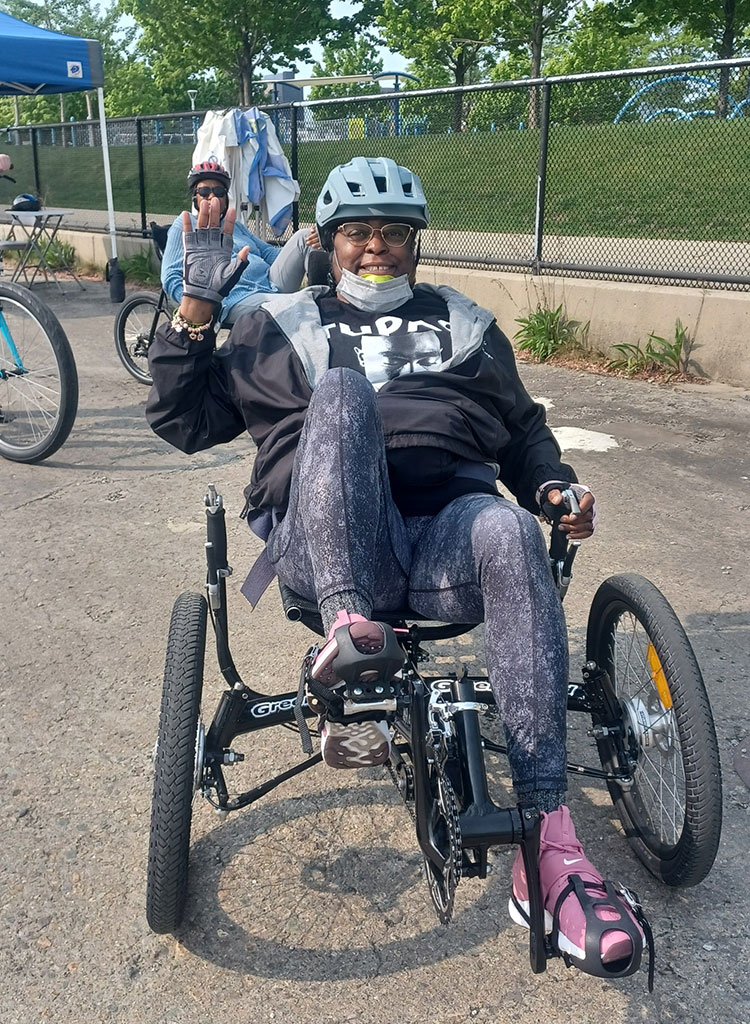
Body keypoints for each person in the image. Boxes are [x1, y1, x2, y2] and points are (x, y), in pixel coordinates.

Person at [146, 156, 647, 983]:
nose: (375, 246)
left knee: (508, 530)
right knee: (343, 394)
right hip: (329, 546)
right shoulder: (275, 321)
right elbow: (181, 420)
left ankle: (549, 849)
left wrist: (551, 487)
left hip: (446, 532)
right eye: (357, 232)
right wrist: (194, 309)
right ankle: (351, 636)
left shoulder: (466, 324)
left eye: (393, 233)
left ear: (417, 243)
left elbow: (523, 433)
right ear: (325, 241)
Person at [160, 160, 319, 324]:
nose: (212, 197)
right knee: (302, 305)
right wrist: (200, 304)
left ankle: (330, 296)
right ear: (195, 197)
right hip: (235, 299)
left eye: (219, 192)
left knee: (305, 236)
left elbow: (269, 253)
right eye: (204, 191)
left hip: (270, 282)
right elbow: (170, 276)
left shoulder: (235, 226)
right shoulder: (185, 225)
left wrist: (314, 242)